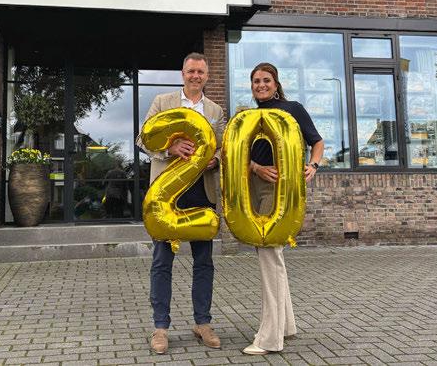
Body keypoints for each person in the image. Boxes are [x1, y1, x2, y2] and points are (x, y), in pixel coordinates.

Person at [136, 52, 225, 354]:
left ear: (207, 76)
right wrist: (170, 148)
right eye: (191, 71)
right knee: (162, 262)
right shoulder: (163, 102)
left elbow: (222, 147)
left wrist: (214, 160)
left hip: (202, 193)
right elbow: (142, 139)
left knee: (204, 262)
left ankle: (203, 323)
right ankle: (160, 328)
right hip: (167, 196)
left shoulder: (215, 110)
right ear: (182, 73)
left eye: (200, 72)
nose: (195, 76)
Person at [243, 62, 324, 356]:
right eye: (256, 81)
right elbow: (241, 156)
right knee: (271, 255)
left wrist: (313, 165)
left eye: (266, 80)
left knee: (269, 253)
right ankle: (286, 326)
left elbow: (317, 142)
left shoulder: (292, 109)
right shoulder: (249, 116)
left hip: (279, 190)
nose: (261, 85)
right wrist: (256, 167)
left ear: (276, 84)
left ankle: (269, 338)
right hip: (253, 187)